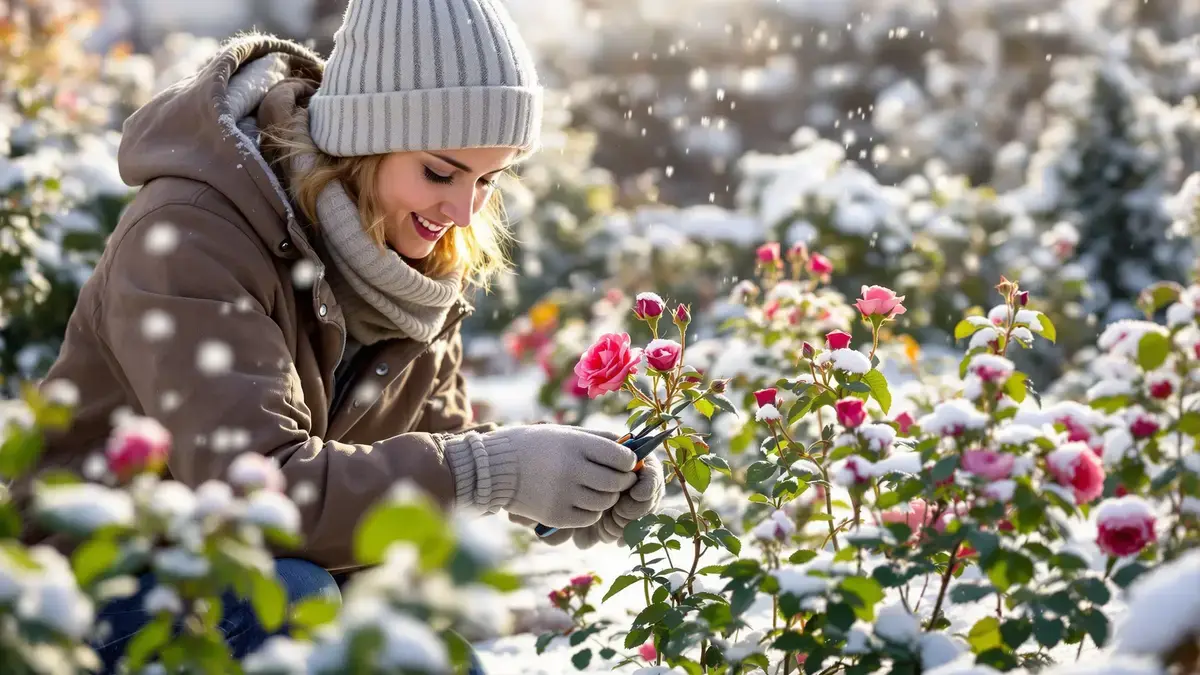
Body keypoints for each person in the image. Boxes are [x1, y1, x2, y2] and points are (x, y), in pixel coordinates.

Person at [16, 0, 666, 672]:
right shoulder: (190, 235)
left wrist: (558, 489)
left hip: (266, 584)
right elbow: (259, 495)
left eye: (487, 179)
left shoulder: (410, 274)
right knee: (298, 604)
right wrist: (492, 472)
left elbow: (428, 471)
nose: (463, 210)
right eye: (441, 172)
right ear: (364, 137)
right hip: (86, 601)